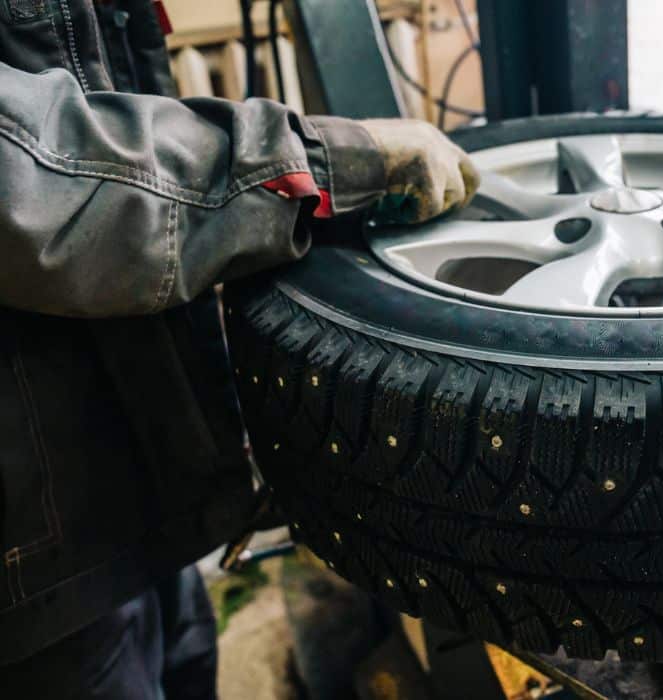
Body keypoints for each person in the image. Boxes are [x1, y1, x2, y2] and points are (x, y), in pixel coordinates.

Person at [0, 1, 478, 696]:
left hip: (124, 469)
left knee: (186, 662)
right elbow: (32, 182)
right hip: (30, 545)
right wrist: (318, 161)